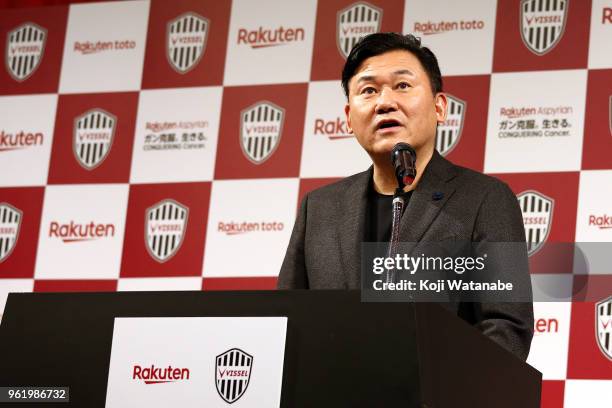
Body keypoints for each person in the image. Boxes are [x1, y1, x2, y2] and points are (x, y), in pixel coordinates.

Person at [277, 33, 533, 361]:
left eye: (402, 86)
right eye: (368, 90)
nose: (385, 102)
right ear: (348, 118)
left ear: (440, 107)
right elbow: (286, 321)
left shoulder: (485, 199)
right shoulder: (320, 207)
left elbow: (507, 326)